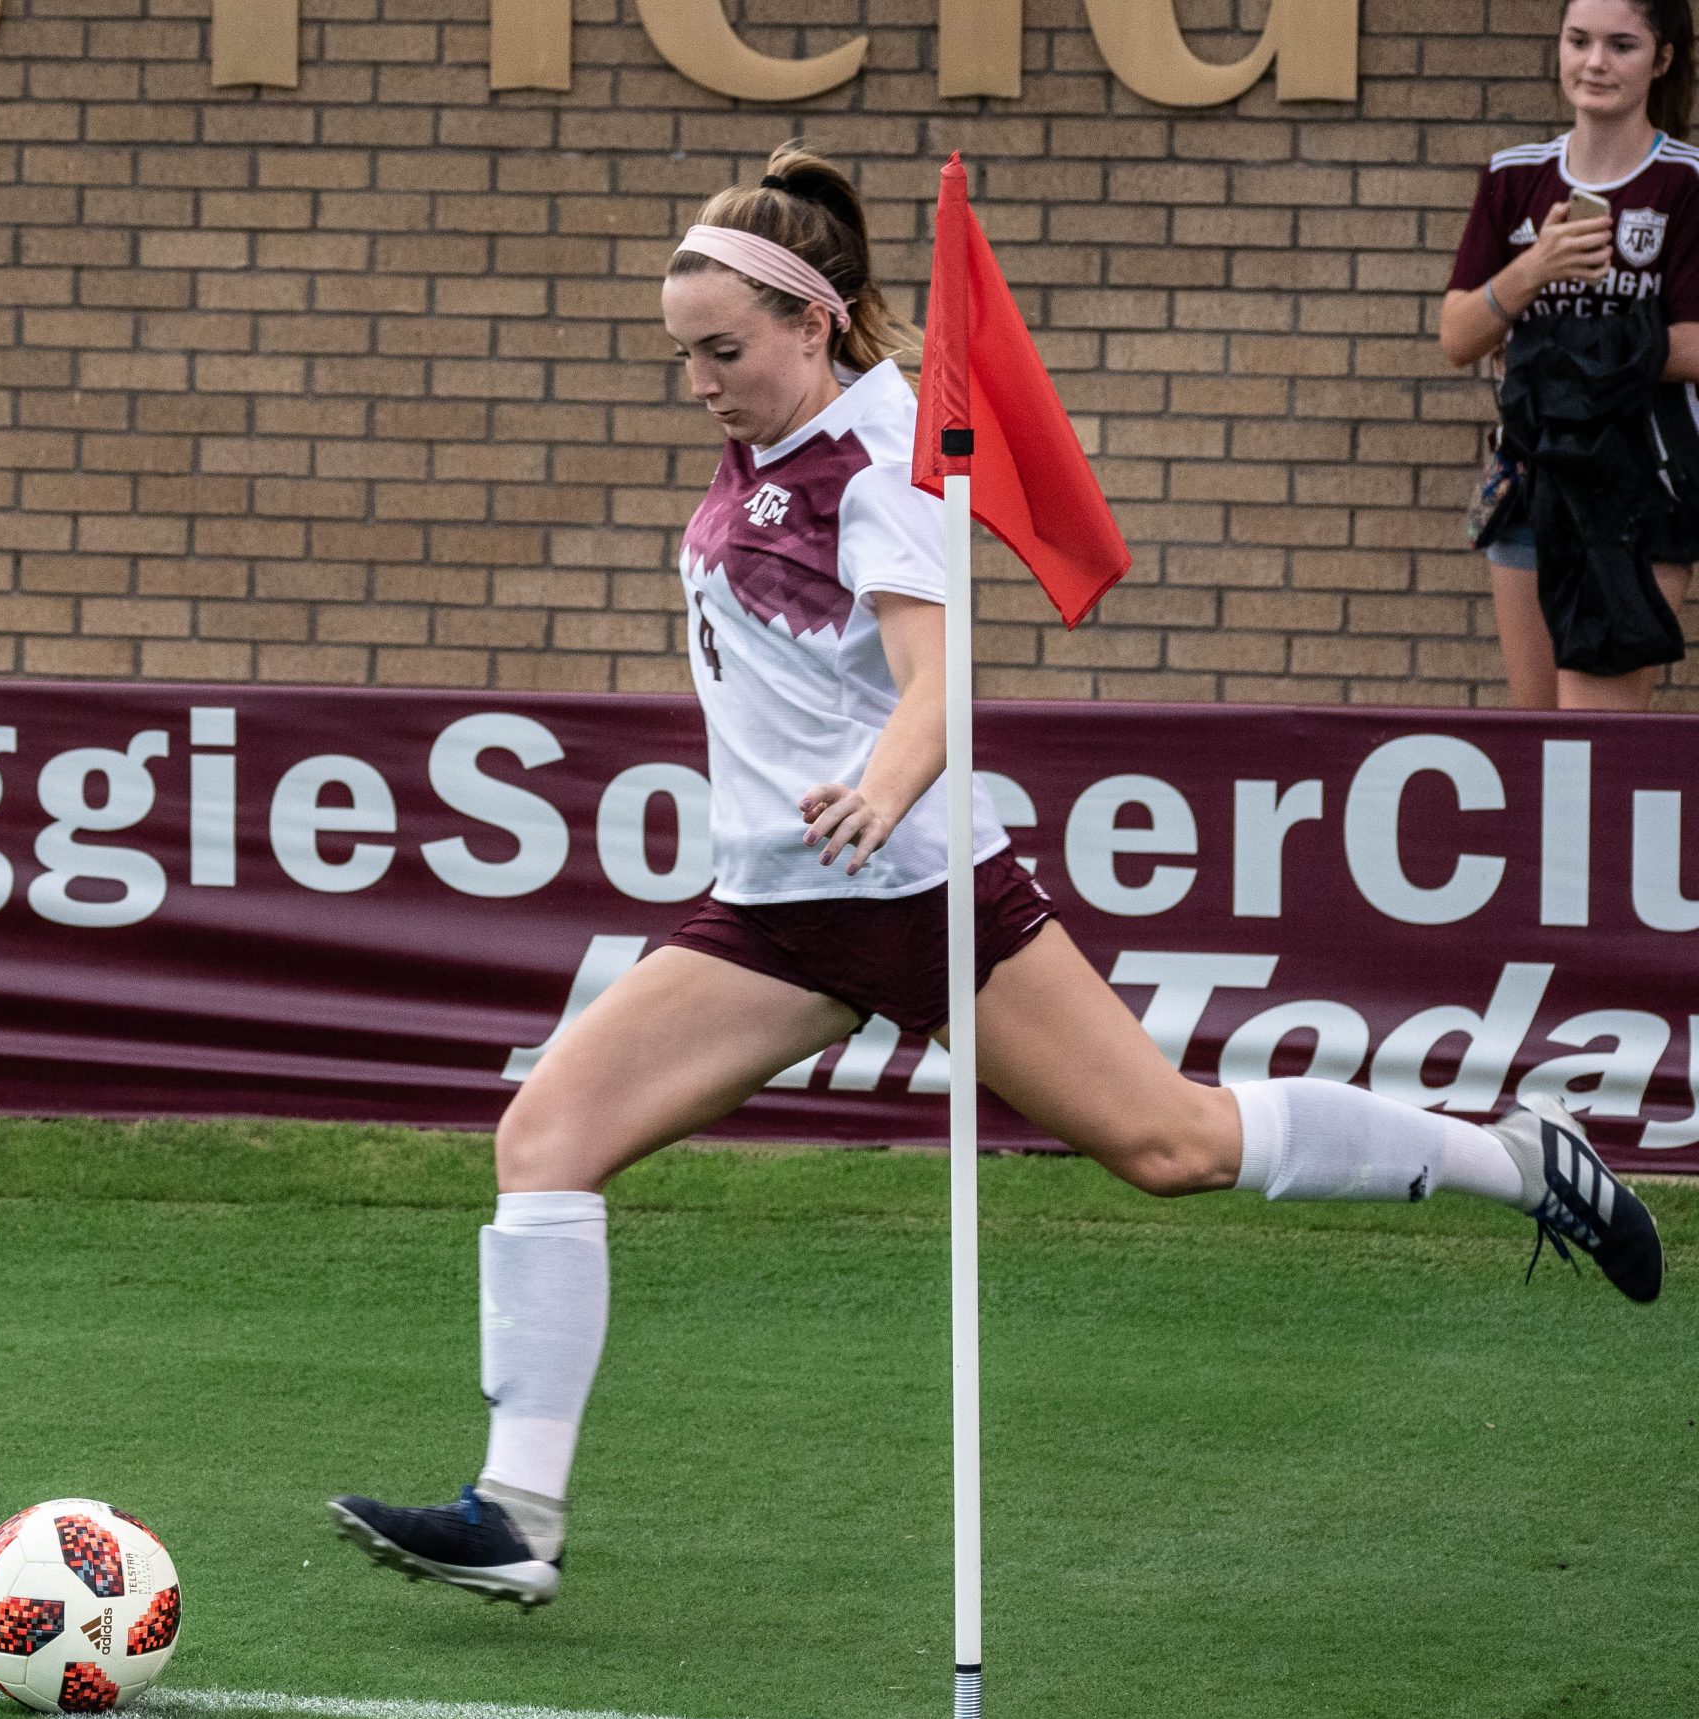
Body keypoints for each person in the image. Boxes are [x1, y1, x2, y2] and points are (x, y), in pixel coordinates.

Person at [329, 144, 1667, 1610]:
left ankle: (1524, 1158)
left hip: (912, 891)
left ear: (813, 324)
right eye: (683, 357)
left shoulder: (886, 456)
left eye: (722, 353)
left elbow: (939, 677)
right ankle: (516, 1513)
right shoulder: (766, 446)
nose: (699, 383)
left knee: (1170, 1149)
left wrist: (886, 785)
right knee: (544, 1140)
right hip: (773, 909)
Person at [1442, 0, 1699, 709]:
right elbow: (1458, 336)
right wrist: (1537, 268)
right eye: (1578, 41)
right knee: (1533, 743)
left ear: (1663, 58)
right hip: (1533, 471)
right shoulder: (1513, 175)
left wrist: (1564, 345)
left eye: (1621, 45)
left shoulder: (1685, 181)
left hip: (1640, 483)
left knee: (1593, 740)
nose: (1595, 63)